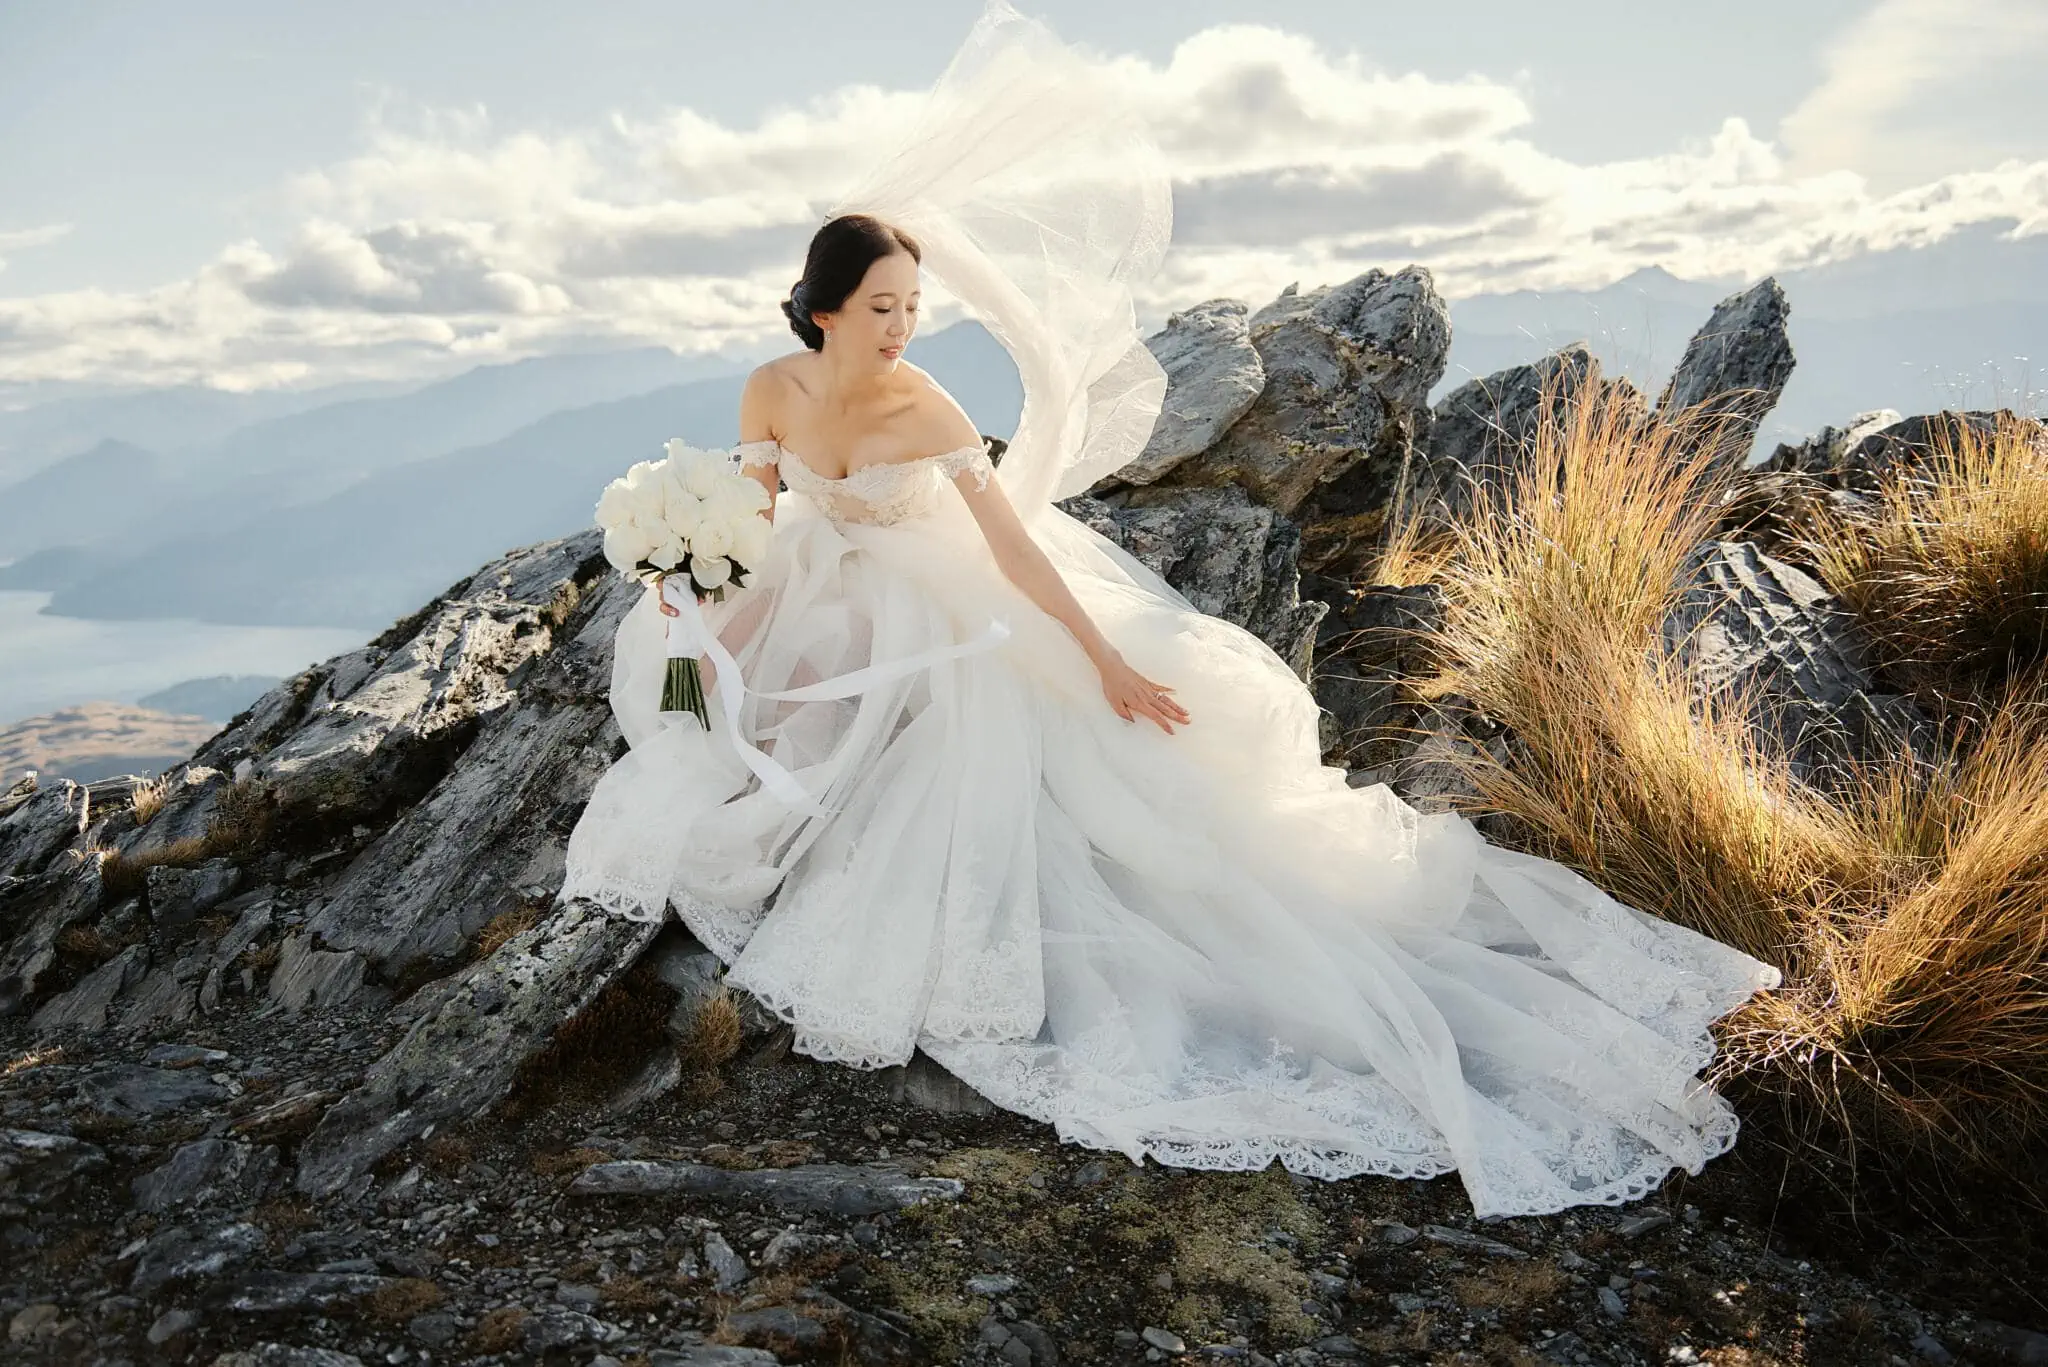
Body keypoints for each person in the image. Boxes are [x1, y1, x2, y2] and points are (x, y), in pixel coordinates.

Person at [558, 0, 1782, 1221]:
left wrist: (1096, 660)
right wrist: (697, 580)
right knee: (752, 681)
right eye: (882, 305)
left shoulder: (923, 408)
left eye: (913, 306)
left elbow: (1011, 554)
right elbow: (762, 509)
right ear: (822, 305)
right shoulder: (768, 385)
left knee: (979, 750)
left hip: (951, 597)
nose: (903, 326)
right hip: (827, 578)